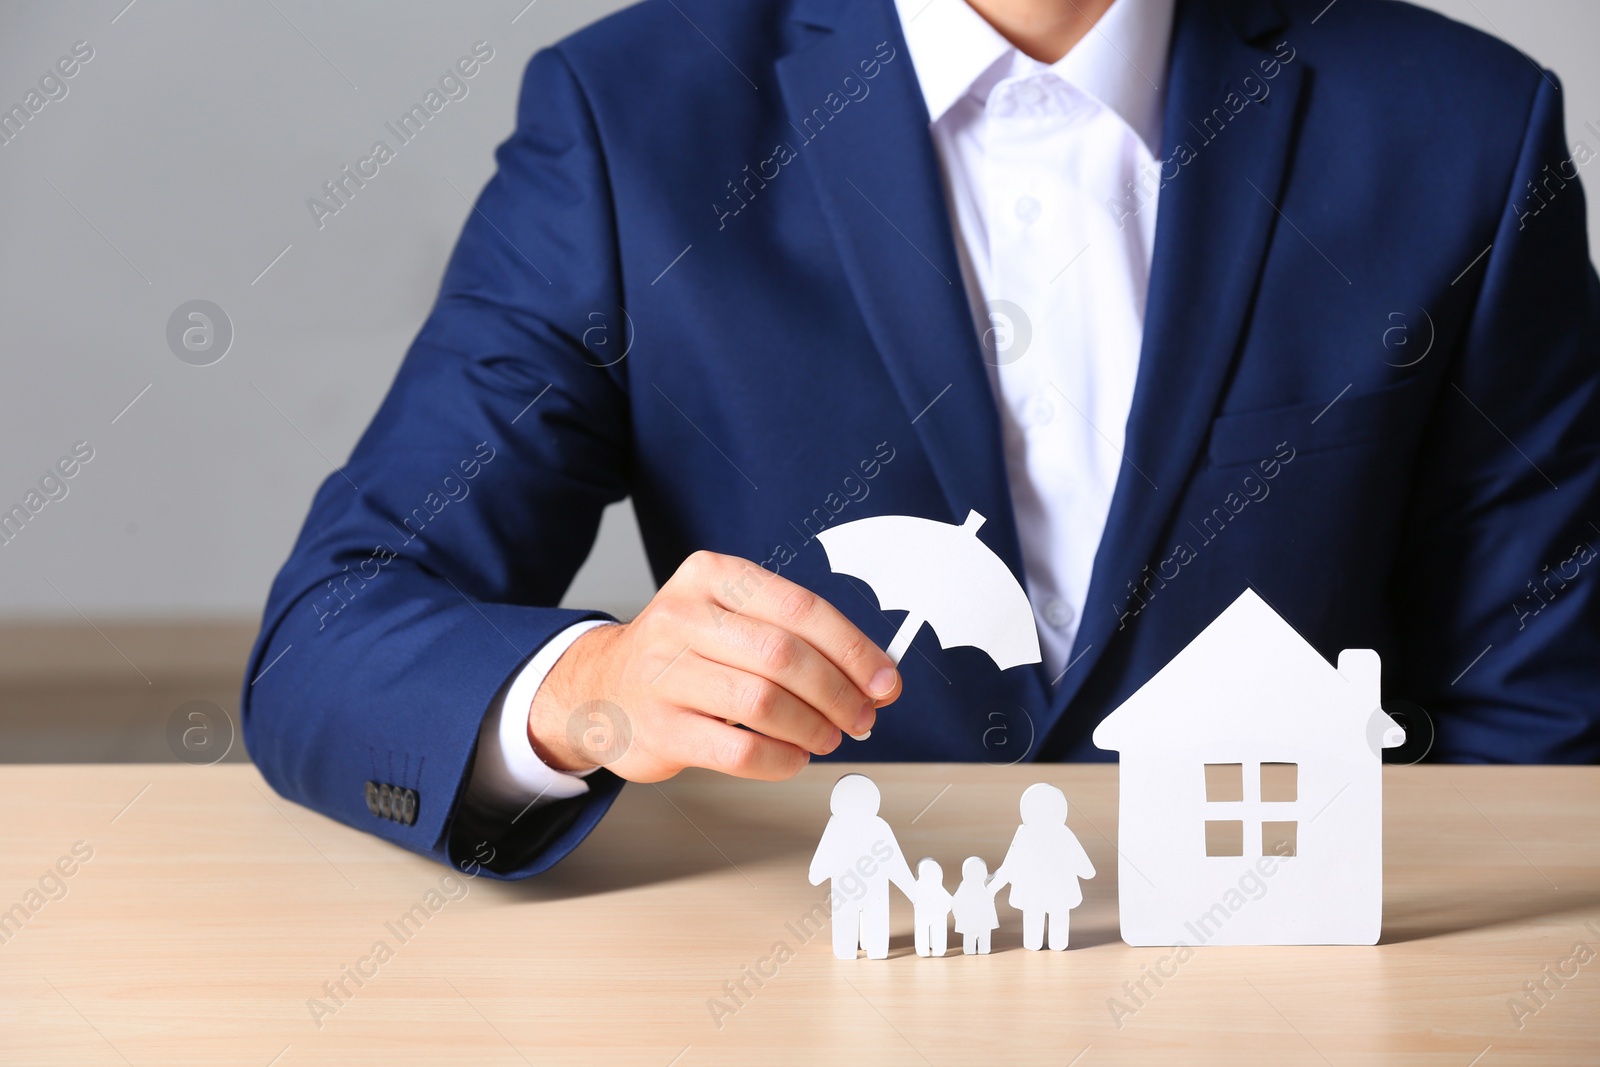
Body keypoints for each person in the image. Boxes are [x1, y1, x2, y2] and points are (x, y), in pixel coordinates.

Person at [243, 0, 1600, 881]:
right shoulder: (633, 122)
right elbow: (330, 634)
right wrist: (593, 683)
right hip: (808, 977)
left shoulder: (1466, 129)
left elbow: (1544, 706)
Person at [807, 775, 916, 959]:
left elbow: (895, 861)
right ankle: (866, 949)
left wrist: (913, 891)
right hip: (857, 890)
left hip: (856, 890)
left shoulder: (844, 826)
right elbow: (895, 862)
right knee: (857, 922)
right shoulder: (871, 826)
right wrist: (912, 891)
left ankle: (862, 949)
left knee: (862, 922)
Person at [989, 784, 1095, 950]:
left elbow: (1010, 865)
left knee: (1035, 921)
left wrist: (993, 887)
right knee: (1054, 919)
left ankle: (1040, 943)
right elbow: (1086, 869)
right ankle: (1054, 943)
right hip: (1058, 890)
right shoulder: (1062, 832)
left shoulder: (1025, 833)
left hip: (1033, 891)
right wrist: (1086, 871)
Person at [952, 856, 1002, 955]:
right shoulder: (965, 888)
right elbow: (955, 903)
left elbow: (995, 878)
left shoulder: (985, 885)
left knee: (983, 936)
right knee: (970, 937)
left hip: (982, 919)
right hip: (970, 920)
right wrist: (958, 916)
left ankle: (982, 948)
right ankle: (971, 949)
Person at [909, 857, 955, 957]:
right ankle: (932, 949)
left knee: (926, 929)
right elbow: (950, 902)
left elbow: (950, 902)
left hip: (931, 916)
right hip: (934, 916)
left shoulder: (919, 888)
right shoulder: (923, 888)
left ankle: (931, 949)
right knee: (927, 929)